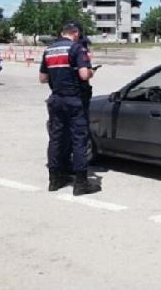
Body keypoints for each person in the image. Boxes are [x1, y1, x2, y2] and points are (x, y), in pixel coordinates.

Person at [39, 22, 100, 196]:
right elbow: (83, 75)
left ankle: (55, 180)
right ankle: (81, 183)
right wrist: (91, 72)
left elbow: (43, 78)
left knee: (56, 138)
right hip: (74, 100)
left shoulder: (49, 50)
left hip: (56, 99)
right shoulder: (77, 49)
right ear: (75, 33)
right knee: (79, 139)